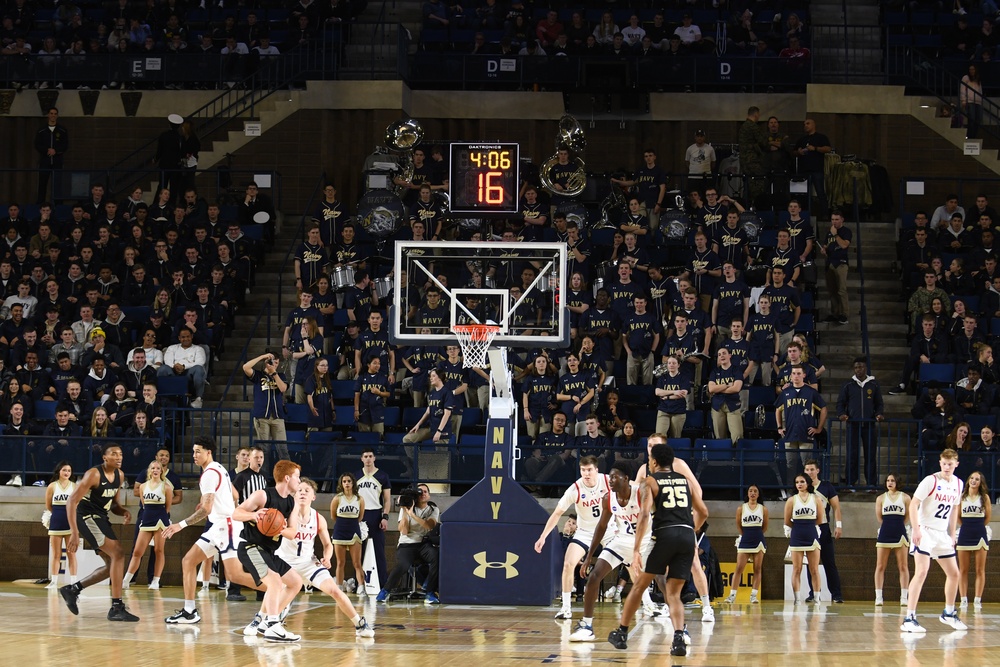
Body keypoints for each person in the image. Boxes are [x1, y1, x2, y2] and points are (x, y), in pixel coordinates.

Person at [606, 443, 708, 656]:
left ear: (653, 462)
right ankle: (679, 638)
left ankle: (622, 632)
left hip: (665, 535)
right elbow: (704, 512)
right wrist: (692, 530)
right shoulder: (687, 482)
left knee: (639, 585)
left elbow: (643, 515)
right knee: (674, 593)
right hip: (687, 536)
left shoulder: (649, 482)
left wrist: (636, 550)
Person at [276, 477, 374, 638]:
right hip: (285, 562)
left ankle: (359, 623)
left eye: (307, 491)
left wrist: (327, 558)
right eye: (299, 490)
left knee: (335, 590)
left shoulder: (318, 518)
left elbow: (328, 545)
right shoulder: (283, 515)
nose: (302, 493)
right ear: (294, 495)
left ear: (313, 497)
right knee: (276, 590)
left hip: (308, 563)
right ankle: (267, 619)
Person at [162, 436, 245, 626]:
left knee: (235, 576)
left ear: (209, 452)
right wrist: (220, 504)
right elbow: (235, 494)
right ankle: (189, 611)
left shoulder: (209, 474)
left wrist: (179, 525)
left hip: (226, 527)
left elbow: (206, 509)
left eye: (198, 451)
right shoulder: (220, 468)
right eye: (193, 451)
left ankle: (278, 594)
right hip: (218, 526)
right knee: (188, 561)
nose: (194, 455)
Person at [59, 442, 139, 622]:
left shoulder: (120, 475)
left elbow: (114, 505)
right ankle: (116, 606)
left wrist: (124, 512)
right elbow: (71, 502)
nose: (119, 457)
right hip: (86, 517)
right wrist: (74, 532)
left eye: (120, 454)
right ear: (105, 457)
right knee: (118, 552)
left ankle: (73, 590)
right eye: (114, 454)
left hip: (101, 517)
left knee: (112, 565)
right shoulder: (94, 474)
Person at [570, 461, 649, 642]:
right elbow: (602, 526)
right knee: (594, 576)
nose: (610, 480)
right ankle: (587, 625)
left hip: (644, 542)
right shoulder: (608, 498)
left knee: (660, 579)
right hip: (621, 541)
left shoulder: (641, 493)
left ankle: (679, 627)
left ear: (626, 478)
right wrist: (589, 556)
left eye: (614, 476)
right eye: (610, 476)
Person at [230, 460, 304, 641]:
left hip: (269, 551)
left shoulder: (292, 503)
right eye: (297, 477)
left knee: (295, 582)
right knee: (276, 583)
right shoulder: (262, 495)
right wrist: (254, 515)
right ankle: (273, 625)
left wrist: (279, 529)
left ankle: (265, 622)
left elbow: (293, 533)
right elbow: (236, 513)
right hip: (250, 547)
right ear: (287, 478)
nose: (299, 481)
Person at [533, 455, 611, 620]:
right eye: (583, 470)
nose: (586, 474)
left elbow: (630, 489)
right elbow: (557, 513)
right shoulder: (575, 489)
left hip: (608, 530)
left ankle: (648, 605)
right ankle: (566, 608)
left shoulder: (608, 481)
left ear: (596, 470)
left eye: (589, 470)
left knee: (631, 562)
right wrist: (543, 537)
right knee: (568, 563)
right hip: (585, 532)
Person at [901, 448, 968, 633]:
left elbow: (955, 508)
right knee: (922, 571)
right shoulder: (931, 480)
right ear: (940, 463)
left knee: (955, 574)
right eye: (944, 463)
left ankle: (948, 612)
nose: (947, 467)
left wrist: (952, 533)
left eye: (950, 464)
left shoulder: (959, 484)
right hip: (925, 530)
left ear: (956, 464)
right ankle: (909, 617)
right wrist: (915, 529)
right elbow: (913, 505)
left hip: (941, 533)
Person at [375, 482, 441, 605]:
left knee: (436, 557)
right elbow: (404, 531)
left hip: (423, 544)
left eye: (425, 491)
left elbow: (429, 526)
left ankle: (430, 592)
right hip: (407, 545)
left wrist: (412, 515)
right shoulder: (407, 507)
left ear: (429, 495)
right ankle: (385, 591)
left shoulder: (433, 509)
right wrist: (406, 511)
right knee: (403, 565)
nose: (422, 494)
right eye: (419, 492)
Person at [122, 459, 173, 590]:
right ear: (149, 471)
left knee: (158, 550)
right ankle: (126, 580)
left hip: (160, 519)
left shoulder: (166, 487)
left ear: (161, 471)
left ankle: (155, 581)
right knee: (137, 551)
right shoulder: (143, 486)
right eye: (153, 468)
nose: (155, 470)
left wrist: (165, 521)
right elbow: (144, 505)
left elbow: (167, 507)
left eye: (158, 468)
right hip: (147, 518)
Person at [836, 357, 885, 489]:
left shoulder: (873, 384)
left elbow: (879, 403)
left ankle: (871, 483)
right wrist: (841, 414)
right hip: (853, 425)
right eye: (856, 367)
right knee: (852, 454)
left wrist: (879, 414)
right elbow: (840, 403)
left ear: (866, 368)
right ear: (854, 369)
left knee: (870, 455)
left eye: (861, 367)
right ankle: (851, 482)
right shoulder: (848, 385)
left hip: (869, 425)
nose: (859, 369)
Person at [777, 365, 827, 483]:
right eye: (794, 373)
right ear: (790, 376)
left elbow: (824, 409)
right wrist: (779, 427)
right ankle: (790, 490)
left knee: (807, 465)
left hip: (806, 434)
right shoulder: (786, 392)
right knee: (790, 465)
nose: (796, 376)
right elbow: (777, 409)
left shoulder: (811, 392)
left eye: (799, 373)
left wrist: (819, 428)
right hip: (789, 434)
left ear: (804, 375)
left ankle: (808, 489)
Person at [724, 484, 768, 604]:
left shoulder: (763, 509)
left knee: (757, 568)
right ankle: (732, 595)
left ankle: (753, 595)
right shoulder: (741, 508)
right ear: (747, 493)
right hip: (745, 539)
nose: (753, 493)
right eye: (750, 491)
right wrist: (746, 534)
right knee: (739, 568)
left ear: (758, 494)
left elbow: (764, 527)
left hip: (758, 540)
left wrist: (756, 533)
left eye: (755, 491)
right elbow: (739, 525)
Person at [356, 448, 391, 593]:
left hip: (376, 514)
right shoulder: (356, 476)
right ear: (362, 459)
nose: (368, 459)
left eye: (370, 456)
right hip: (360, 514)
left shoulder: (382, 476)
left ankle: (383, 584)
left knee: (379, 550)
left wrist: (385, 516)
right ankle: (359, 583)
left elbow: (388, 500)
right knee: (358, 551)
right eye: (366, 456)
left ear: (374, 458)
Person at [783, 474, 822, 604]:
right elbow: (787, 520)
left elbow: (820, 519)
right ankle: (797, 599)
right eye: (797, 482)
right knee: (797, 568)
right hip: (797, 536)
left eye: (802, 481)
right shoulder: (791, 500)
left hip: (811, 534)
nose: (799, 484)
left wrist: (809, 527)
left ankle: (816, 598)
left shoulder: (816, 499)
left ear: (808, 483)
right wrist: (798, 528)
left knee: (814, 569)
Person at [243, 351, 288, 461]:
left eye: (277, 363)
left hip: (277, 416)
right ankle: (263, 475)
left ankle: (288, 474)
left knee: (283, 448)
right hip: (262, 416)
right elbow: (245, 367)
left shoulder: (281, 375)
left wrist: (274, 373)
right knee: (264, 449)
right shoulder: (258, 375)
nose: (275, 365)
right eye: (272, 362)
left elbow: (283, 388)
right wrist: (262, 356)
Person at [874, 473, 910, 607]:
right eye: (888, 480)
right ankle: (878, 596)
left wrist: (898, 525)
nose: (890, 483)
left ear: (897, 482)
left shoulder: (905, 497)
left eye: (893, 480)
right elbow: (879, 518)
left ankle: (904, 597)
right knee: (880, 565)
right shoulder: (880, 498)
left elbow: (907, 517)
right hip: (885, 532)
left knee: (903, 566)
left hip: (900, 532)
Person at [956, 471, 991, 610]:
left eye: (977, 479)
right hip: (965, 533)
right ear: (968, 480)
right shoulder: (961, 497)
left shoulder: (985, 498)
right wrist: (965, 526)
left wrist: (978, 526)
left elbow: (987, 517)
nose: (973, 481)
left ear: (980, 482)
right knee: (963, 569)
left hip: (979, 533)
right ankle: (963, 599)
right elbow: (958, 517)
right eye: (971, 478)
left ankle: (977, 600)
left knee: (979, 570)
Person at [329, 472, 365, 592]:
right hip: (340, 530)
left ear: (353, 483)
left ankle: (361, 586)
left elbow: (360, 516)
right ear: (341, 484)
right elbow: (333, 515)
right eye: (344, 481)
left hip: (354, 530)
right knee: (340, 562)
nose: (347, 484)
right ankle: (338, 586)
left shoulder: (359, 499)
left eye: (349, 481)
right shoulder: (337, 498)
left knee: (357, 563)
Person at [43, 461, 77, 589]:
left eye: (69, 470)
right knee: (56, 554)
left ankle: (74, 582)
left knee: (71, 554)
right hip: (56, 521)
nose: (67, 473)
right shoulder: (52, 486)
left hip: (70, 522)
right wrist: (56, 515)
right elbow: (48, 505)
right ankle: (54, 581)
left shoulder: (74, 486)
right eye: (64, 470)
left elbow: (77, 504)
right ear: (59, 471)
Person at [157, 328, 206, 408]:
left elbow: (200, 362)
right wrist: (175, 366)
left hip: (189, 373)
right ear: (179, 338)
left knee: (199, 369)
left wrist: (183, 366)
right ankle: (161, 397)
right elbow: (167, 360)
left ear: (192, 336)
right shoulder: (172, 348)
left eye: (188, 336)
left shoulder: (199, 349)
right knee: (163, 368)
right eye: (183, 337)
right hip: (173, 372)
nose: (186, 339)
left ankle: (198, 399)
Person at [794, 119, 831, 218]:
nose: (805, 126)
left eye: (808, 123)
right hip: (803, 170)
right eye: (804, 124)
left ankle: (825, 214)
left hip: (816, 170)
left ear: (814, 125)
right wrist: (799, 152)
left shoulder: (821, 137)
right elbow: (794, 152)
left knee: (820, 192)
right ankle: (803, 213)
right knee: (803, 194)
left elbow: (828, 149)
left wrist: (815, 148)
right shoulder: (801, 140)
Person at [820, 210, 852, 325]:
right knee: (832, 291)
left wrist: (835, 234)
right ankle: (835, 313)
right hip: (830, 263)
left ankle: (844, 314)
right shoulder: (829, 232)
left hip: (841, 263)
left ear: (842, 219)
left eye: (837, 219)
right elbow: (825, 245)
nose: (834, 222)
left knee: (841, 290)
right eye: (833, 219)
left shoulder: (846, 231)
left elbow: (844, 245)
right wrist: (823, 249)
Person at [35, 107, 68, 204]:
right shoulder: (41, 130)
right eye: (51, 113)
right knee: (42, 184)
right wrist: (46, 150)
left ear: (57, 115)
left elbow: (65, 145)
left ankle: (58, 206)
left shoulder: (62, 130)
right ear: (48, 115)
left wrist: (56, 151)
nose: (53, 115)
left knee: (58, 184)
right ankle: (40, 204)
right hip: (45, 161)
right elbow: (37, 144)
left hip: (57, 161)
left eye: (55, 113)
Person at [961, 63, 984, 140]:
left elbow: (980, 90)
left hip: (978, 102)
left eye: (973, 69)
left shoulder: (978, 78)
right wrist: (963, 100)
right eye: (970, 69)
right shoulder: (966, 77)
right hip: (970, 101)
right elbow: (962, 89)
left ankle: (974, 136)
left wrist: (981, 100)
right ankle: (970, 137)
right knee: (972, 119)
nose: (971, 71)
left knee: (978, 119)